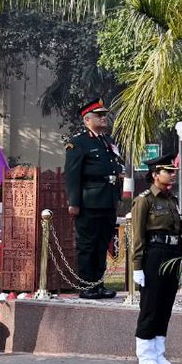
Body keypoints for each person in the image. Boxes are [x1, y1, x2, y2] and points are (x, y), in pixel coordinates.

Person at [130, 155, 182, 364]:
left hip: (172, 253)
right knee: (150, 305)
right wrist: (137, 266)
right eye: (168, 171)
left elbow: (174, 230)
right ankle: (146, 357)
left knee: (165, 306)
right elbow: (138, 235)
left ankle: (159, 354)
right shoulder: (145, 200)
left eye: (173, 171)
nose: (172, 174)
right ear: (155, 174)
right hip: (154, 255)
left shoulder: (171, 200)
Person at [64, 97, 124, 299]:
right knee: (88, 245)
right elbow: (73, 175)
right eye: (99, 115)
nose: (104, 118)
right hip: (89, 200)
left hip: (107, 200)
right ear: (87, 119)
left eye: (104, 114)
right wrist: (74, 202)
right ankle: (86, 286)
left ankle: (98, 284)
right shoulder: (78, 143)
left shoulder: (108, 141)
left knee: (101, 244)